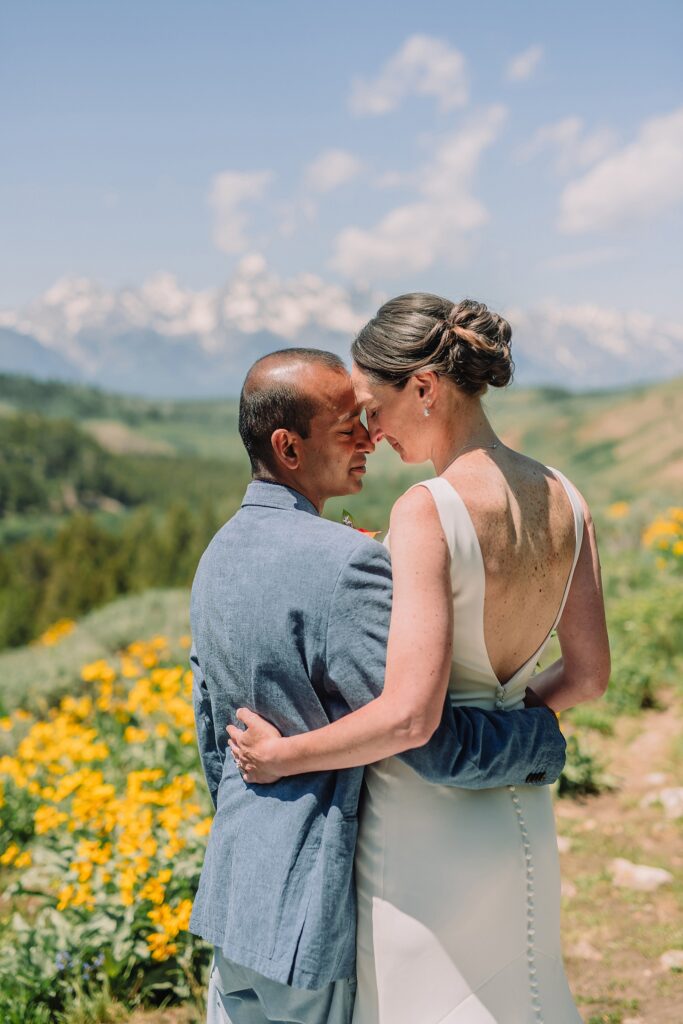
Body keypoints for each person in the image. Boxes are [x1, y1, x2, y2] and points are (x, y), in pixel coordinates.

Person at [228, 296, 611, 1024]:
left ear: (426, 389)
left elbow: (408, 716)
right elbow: (588, 675)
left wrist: (282, 757)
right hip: (517, 810)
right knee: (519, 995)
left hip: (422, 827)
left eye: (374, 406)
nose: (368, 429)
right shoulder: (567, 495)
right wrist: (501, 721)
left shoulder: (427, 509)